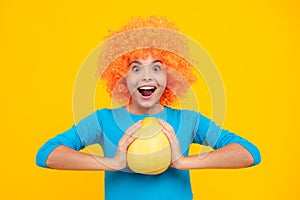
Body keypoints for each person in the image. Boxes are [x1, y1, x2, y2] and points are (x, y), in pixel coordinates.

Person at [36, 16, 261, 200]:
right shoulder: (103, 120)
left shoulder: (189, 121)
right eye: (136, 68)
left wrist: (182, 162)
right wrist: (114, 162)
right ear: (121, 77)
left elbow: (249, 154)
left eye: (156, 68)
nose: (146, 76)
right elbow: (47, 155)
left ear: (169, 75)